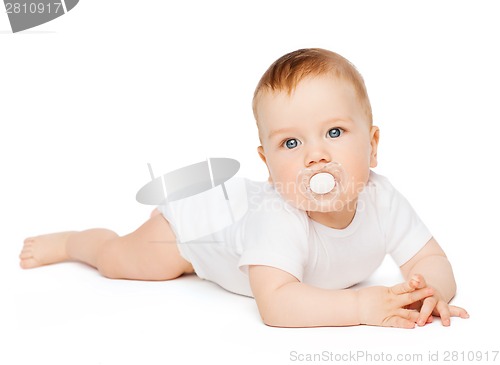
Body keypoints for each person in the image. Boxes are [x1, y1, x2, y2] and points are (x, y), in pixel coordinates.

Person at [19, 48, 468, 329]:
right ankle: (80, 242)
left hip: (238, 224)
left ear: (372, 147)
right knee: (123, 261)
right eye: (291, 143)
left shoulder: (381, 197)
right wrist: (362, 307)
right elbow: (277, 305)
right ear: (269, 165)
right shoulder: (280, 216)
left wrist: (428, 293)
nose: (315, 156)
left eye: (334, 132)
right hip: (195, 227)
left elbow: (431, 258)